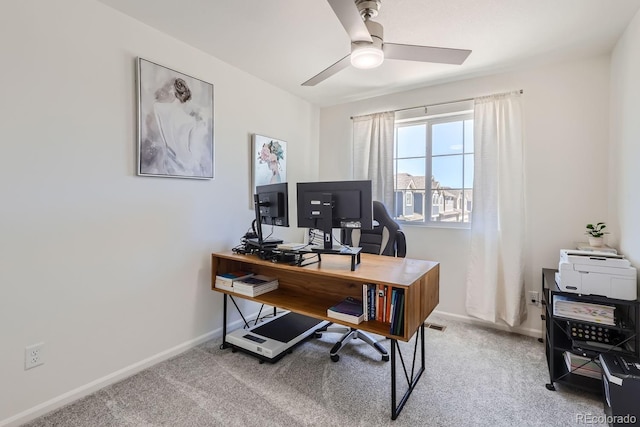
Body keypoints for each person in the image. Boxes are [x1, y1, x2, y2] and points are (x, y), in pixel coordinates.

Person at [140, 77, 212, 177]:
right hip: (185, 164)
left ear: (173, 92)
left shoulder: (159, 108)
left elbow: (164, 138)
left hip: (169, 162)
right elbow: (192, 151)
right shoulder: (191, 121)